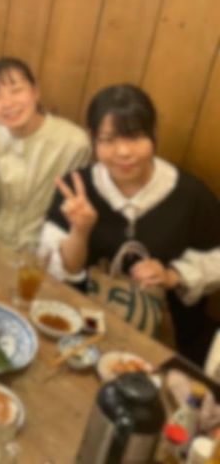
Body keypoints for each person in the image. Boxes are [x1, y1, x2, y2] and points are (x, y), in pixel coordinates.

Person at [41, 84, 220, 365]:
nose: (123, 152)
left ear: (154, 135)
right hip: (80, 330)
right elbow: (60, 270)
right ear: (93, 139)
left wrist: (174, 275)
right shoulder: (77, 187)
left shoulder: (189, 194)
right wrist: (80, 230)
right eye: (109, 140)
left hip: (163, 341)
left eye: (135, 137)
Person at [0, 58, 91, 249]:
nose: (7, 103)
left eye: (16, 91)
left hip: (41, 251)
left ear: (35, 91)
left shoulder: (74, 144)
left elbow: (72, 218)